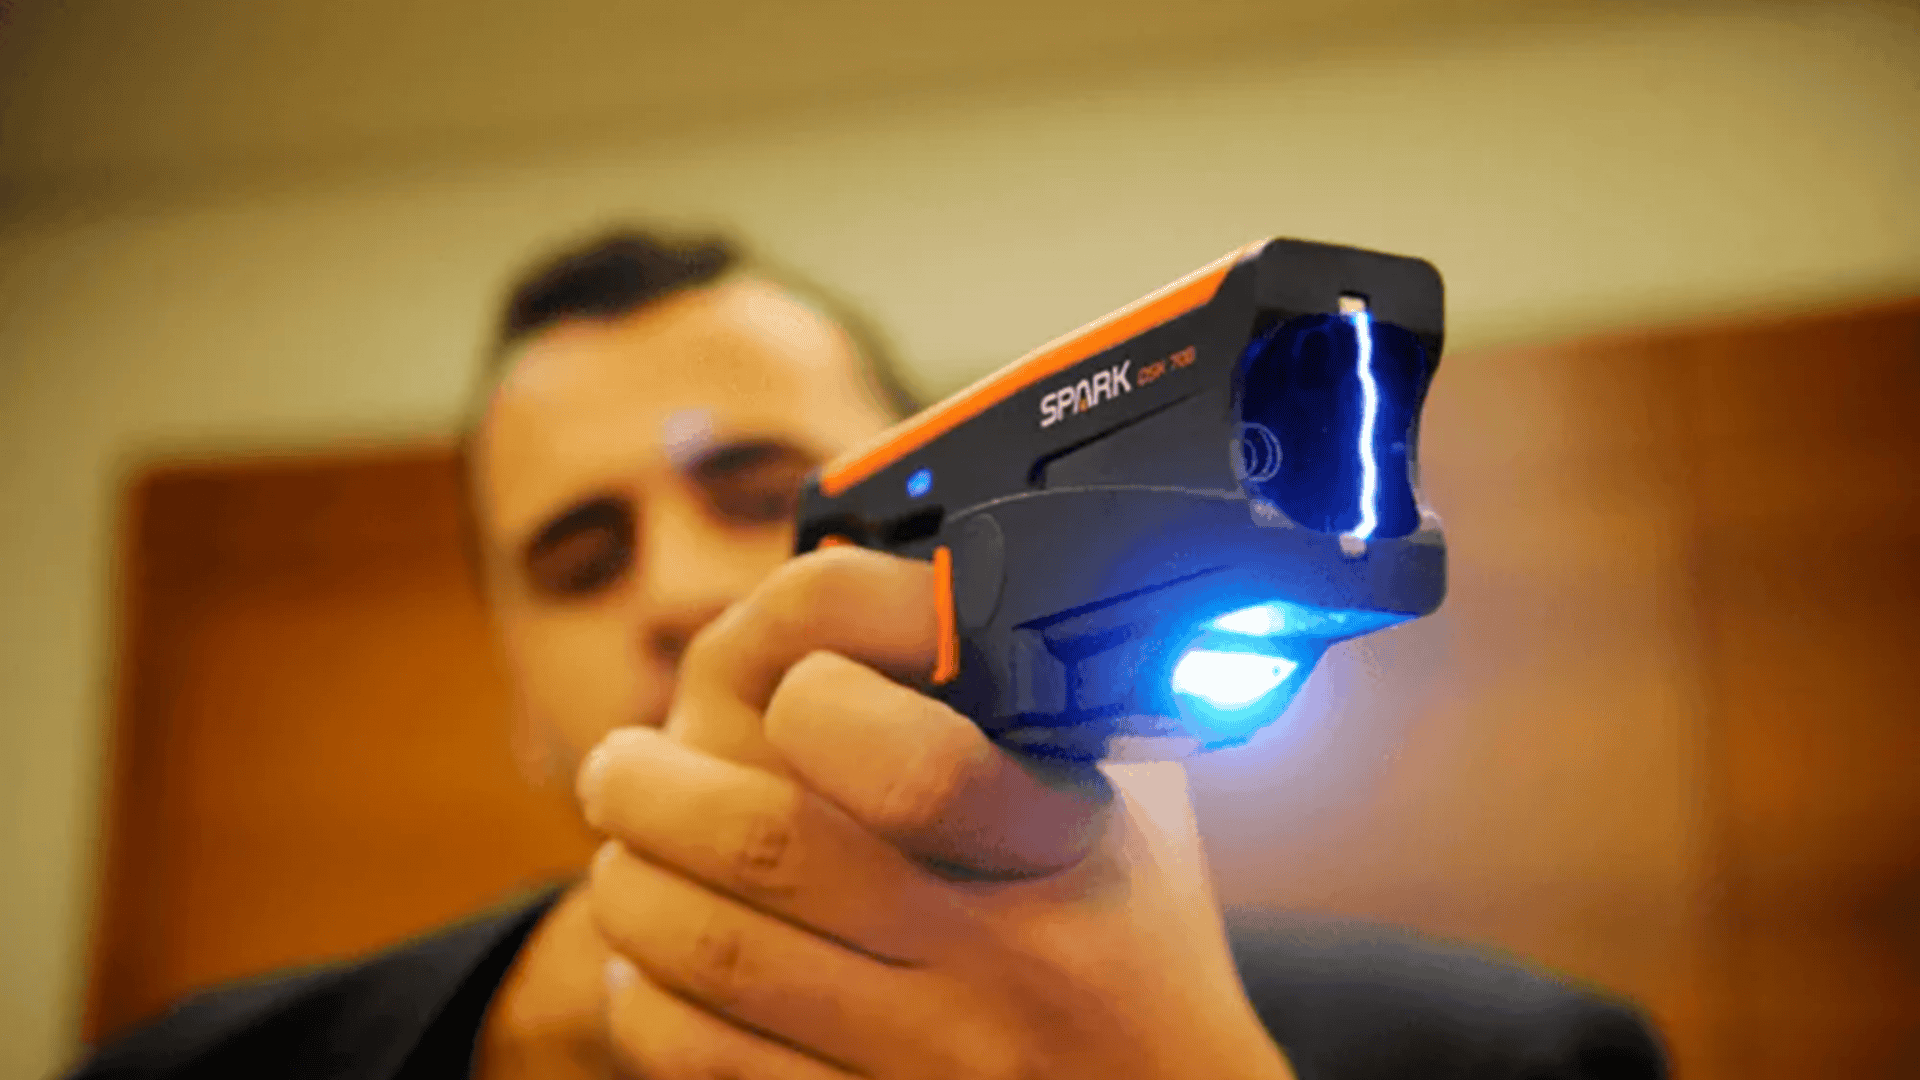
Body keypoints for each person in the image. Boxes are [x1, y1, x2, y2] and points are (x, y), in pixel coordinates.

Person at [66, 231, 1669, 1079]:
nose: (679, 589)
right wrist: (538, 1025)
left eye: (758, 491)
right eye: (579, 559)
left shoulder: (1495, 1058)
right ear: (521, 712)